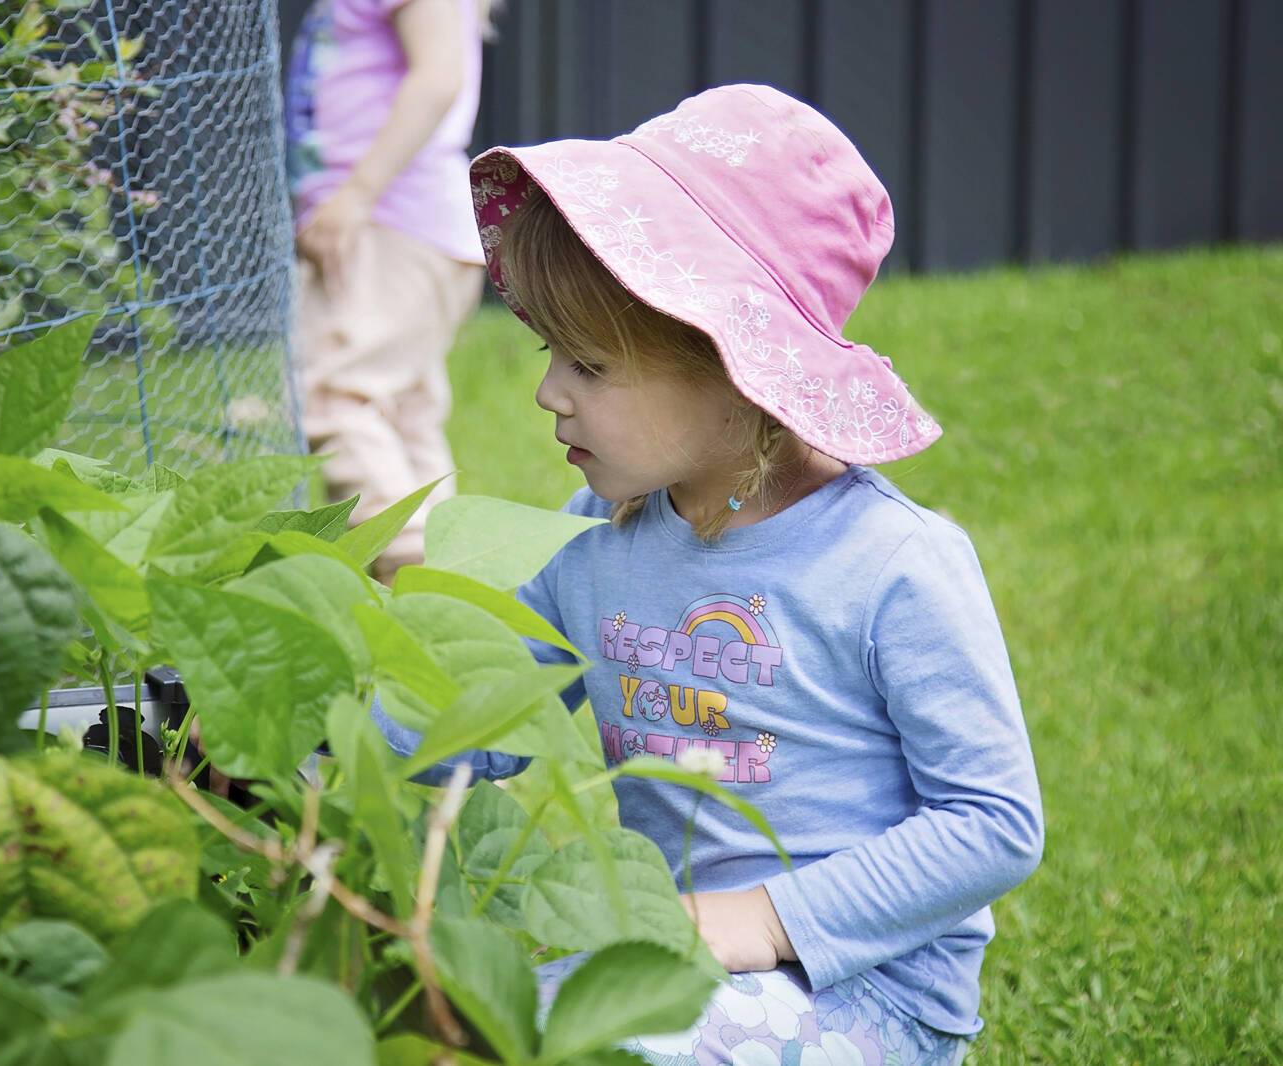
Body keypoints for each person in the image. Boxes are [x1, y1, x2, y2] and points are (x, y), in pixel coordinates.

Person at [374, 84, 1045, 1065]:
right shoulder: (592, 543)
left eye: (590, 366)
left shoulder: (891, 566)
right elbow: (472, 714)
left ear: (738, 366)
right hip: (671, 963)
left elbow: (993, 824)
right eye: (550, 353)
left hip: (861, 992)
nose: (546, 391)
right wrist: (297, 741)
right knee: (464, 1022)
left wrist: (763, 919)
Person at [284, 0, 493, 582]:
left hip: (389, 226)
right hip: (412, 228)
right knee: (403, 412)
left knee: (336, 396)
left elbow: (438, 78)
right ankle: (455, 576)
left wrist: (356, 195)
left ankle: (407, 564)